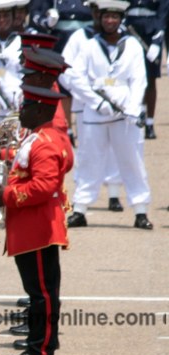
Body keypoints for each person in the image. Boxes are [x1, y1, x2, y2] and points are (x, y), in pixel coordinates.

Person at [0, 85, 72, 355]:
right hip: (31, 225)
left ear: (41, 111)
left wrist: (7, 195)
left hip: (37, 228)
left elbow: (44, 185)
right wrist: (2, 155)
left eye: (27, 107)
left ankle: (40, 351)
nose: (21, 111)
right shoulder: (40, 136)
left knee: (41, 293)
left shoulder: (44, 141)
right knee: (39, 290)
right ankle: (43, 341)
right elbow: (27, 162)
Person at [62, 0, 154, 230]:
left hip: (125, 115)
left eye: (114, 17)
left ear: (121, 19)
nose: (110, 21)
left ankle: (140, 210)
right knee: (89, 161)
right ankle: (80, 208)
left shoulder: (131, 45)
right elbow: (76, 78)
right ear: (99, 19)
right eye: (106, 17)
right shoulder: (90, 46)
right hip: (96, 113)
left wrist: (133, 108)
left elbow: (138, 79)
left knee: (132, 161)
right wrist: (96, 102)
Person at [125, 0, 169, 139]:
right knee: (128, 77)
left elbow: (162, 15)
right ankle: (134, 115)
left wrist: (157, 41)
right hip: (130, 30)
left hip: (150, 33)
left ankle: (149, 122)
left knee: (150, 79)